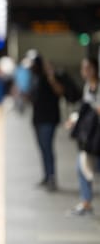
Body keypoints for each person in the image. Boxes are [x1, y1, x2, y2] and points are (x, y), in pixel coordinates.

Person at [67, 57, 99, 216]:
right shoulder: (88, 87)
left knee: (86, 166)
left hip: (96, 135)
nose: (83, 72)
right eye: (82, 68)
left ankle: (86, 203)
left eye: (86, 68)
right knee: (82, 166)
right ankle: (86, 203)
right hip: (91, 136)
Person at [30, 55, 64, 191]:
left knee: (47, 148)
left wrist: (51, 77)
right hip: (37, 119)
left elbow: (60, 92)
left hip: (49, 119)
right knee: (43, 148)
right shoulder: (35, 78)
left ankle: (51, 177)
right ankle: (46, 175)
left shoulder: (52, 78)